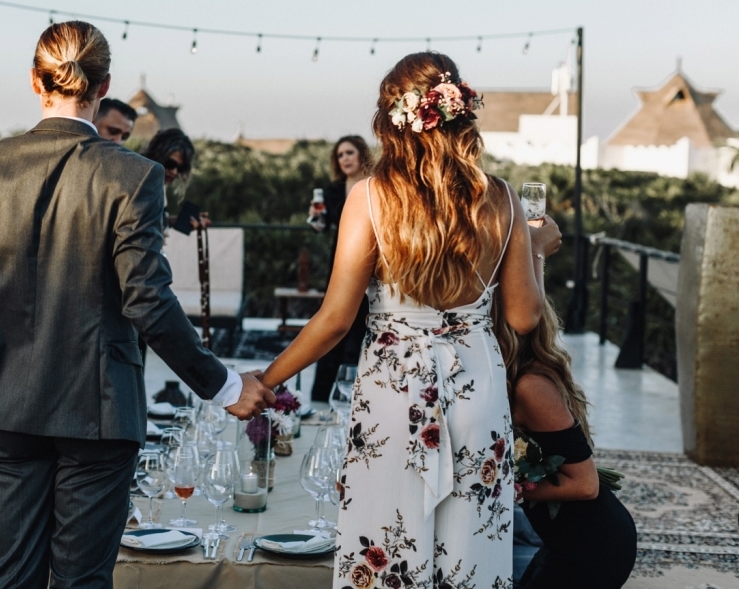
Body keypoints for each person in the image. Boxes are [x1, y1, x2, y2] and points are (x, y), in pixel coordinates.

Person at [0, 21, 274, 589]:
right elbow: (147, 300)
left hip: (1, 402)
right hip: (97, 410)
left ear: (35, 80)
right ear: (104, 83)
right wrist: (224, 385)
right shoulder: (134, 174)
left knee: (11, 575)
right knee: (81, 580)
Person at [259, 52, 562, 588]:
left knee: (385, 543)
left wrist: (264, 382)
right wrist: (536, 249)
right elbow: (522, 315)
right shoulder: (504, 200)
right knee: (472, 545)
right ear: (460, 111)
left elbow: (333, 320)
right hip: (476, 392)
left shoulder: (369, 198)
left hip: (394, 397)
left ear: (391, 120)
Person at [494, 296, 637, 588]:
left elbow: (586, 485)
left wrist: (500, 492)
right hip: (565, 541)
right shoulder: (517, 378)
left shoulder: (530, 386)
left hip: (593, 548)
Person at [308, 135, 374, 401]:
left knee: (363, 332)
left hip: (372, 267)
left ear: (361, 155)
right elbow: (320, 225)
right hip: (341, 267)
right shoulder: (332, 191)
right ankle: (320, 398)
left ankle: (361, 398)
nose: (345, 158)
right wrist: (316, 220)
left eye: (349, 152)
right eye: (340, 155)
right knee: (331, 328)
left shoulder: (375, 187)